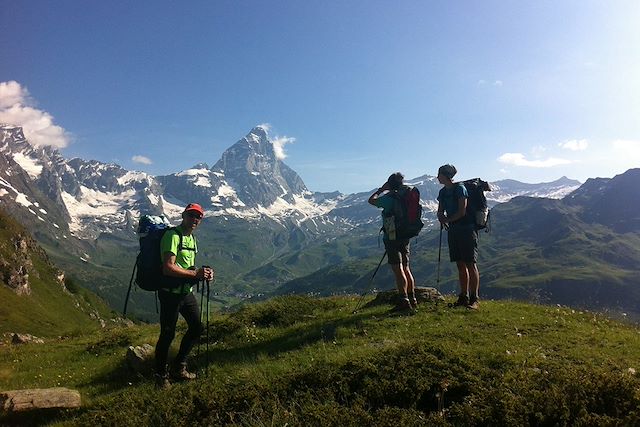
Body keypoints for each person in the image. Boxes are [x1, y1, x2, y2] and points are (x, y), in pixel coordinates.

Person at [155, 203, 214, 388]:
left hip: (185, 293)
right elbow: (168, 267)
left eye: (198, 217)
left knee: (197, 327)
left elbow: (189, 267)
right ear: (183, 215)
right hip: (170, 295)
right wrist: (194, 275)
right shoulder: (172, 236)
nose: (195, 219)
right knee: (167, 335)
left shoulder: (192, 239)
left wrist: (203, 273)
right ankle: (160, 376)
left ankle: (179, 366)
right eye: (191, 215)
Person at [368, 172, 417, 313]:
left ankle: (404, 300)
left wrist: (381, 190)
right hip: (405, 235)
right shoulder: (408, 195)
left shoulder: (389, 198)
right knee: (406, 268)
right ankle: (412, 299)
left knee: (398, 269)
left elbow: (371, 200)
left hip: (392, 237)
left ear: (389, 184)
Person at [436, 164, 480, 309]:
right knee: (460, 263)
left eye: (440, 175)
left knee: (470, 263)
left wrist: (446, 220)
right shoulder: (443, 192)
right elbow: (440, 209)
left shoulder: (460, 188)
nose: (438, 177)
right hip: (454, 230)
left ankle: (474, 299)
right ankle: (463, 296)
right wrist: (440, 215)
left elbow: (462, 211)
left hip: (467, 229)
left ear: (446, 176)